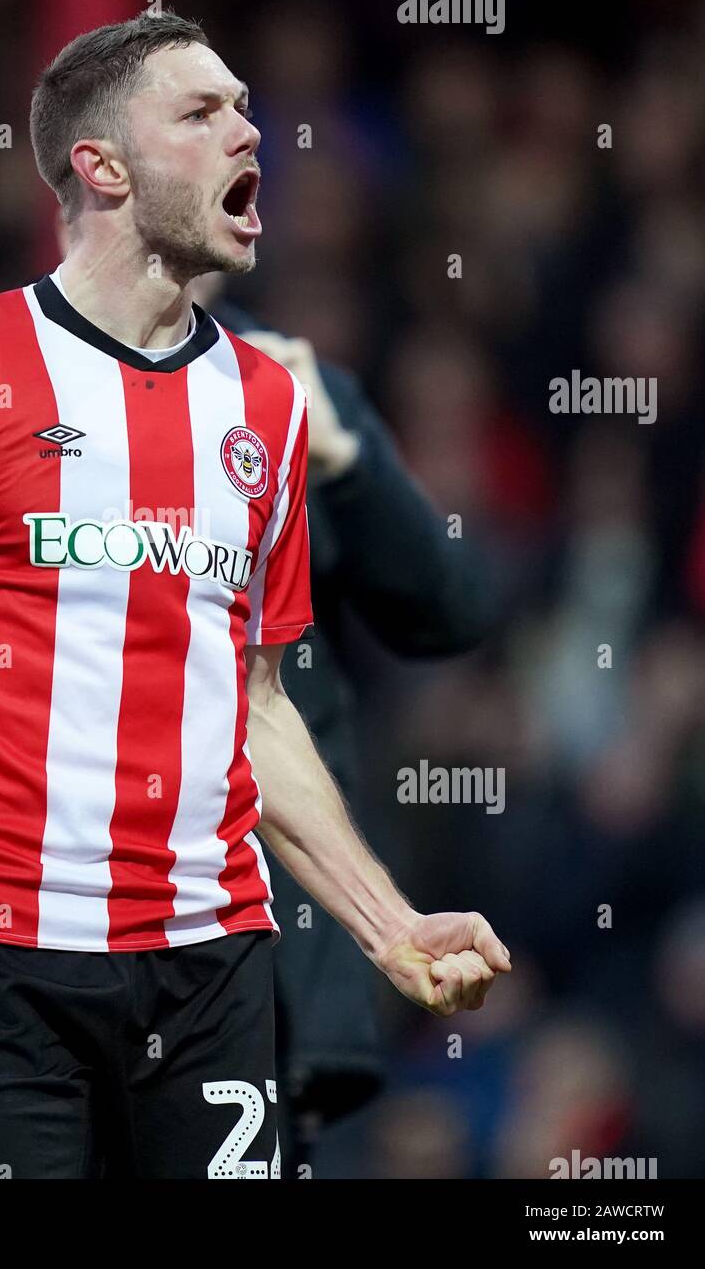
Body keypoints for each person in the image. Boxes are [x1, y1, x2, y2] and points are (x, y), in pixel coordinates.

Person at [0, 10, 511, 1180]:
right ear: (100, 167)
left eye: (245, 108)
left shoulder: (265, 405)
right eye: (202, 113)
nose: (247, 130)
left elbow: (251, 703)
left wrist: (387, 923)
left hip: (208, 966)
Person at [197, 282, 504, 1173]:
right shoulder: (33, 377)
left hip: (286, 943)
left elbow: (451, 611)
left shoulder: (286, 384)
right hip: (90, 925)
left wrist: (342, 459)